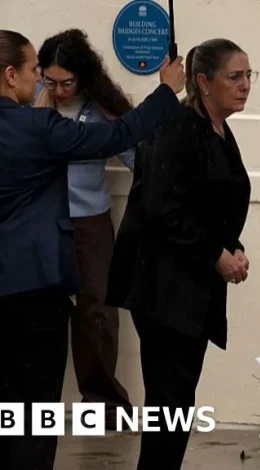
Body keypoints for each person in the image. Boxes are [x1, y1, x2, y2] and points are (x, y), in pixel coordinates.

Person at [0, 29, 184, 470]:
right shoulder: (37, 127)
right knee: (34, 407)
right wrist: (166, 91)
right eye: (33, 71)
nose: (40, 81)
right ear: (10, 75)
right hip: (33, 284)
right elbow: (117, 135)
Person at [106, 38, 254, 469]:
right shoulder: (177, 127)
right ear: (203, 82)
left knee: (177, 405)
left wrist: (233, 249)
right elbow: (162, 207)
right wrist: (215, 254)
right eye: (235, 77)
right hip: (163, 289)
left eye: (249, 76)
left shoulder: (219, 129)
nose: (245, 85)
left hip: (193, 287)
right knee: (169, 405)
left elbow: (210, 206)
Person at [34, 28, 133, 423]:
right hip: (40, 219)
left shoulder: (100, 109)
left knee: (97, 309)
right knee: (39, 310)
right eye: (50, 81)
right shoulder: (30, 104)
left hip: (89, 220)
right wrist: (39, 105)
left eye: (67, 83)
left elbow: (138, 159)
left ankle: (103, 402)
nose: (58, 91)